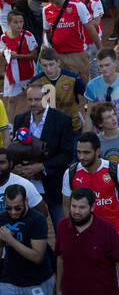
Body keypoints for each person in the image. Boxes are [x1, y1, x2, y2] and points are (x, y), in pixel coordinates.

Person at [12, 81, 75, 226]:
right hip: (27, 184)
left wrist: (42, 167)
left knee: (62, 225)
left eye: (37, 99)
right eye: (30, 99)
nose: (33, 103)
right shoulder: (20, 119)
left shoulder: (62, 120)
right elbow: (16, 150)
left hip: (53, 184)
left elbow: (67, 154)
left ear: (47, 99)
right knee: (26, 227)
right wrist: (18, 168)